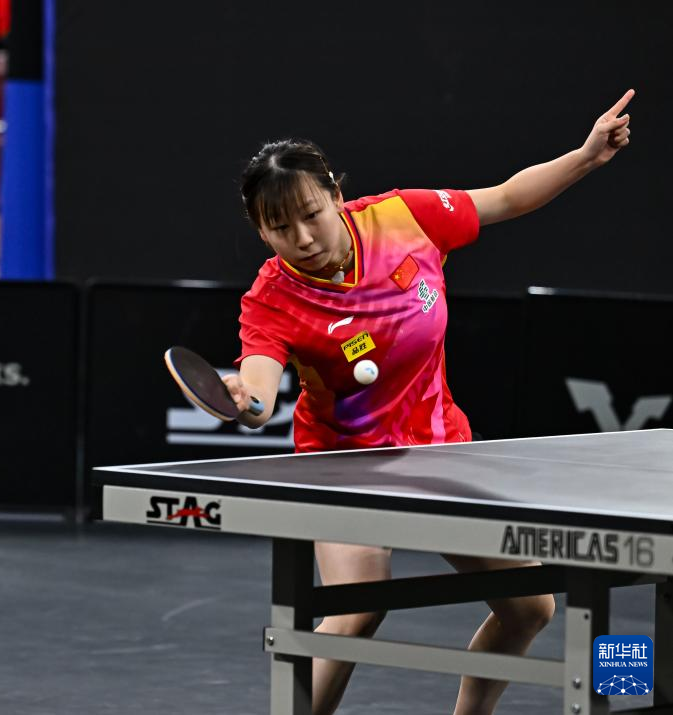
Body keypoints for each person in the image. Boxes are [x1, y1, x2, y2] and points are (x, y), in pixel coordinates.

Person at [224, 89, 634, 715]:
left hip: (439, 447)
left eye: (311, 214)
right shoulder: (272, 298)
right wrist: (245, 401)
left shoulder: (403, 218)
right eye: (279, 228)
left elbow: (504, 198)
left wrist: (584, 157)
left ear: (335, 194)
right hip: (345, 464)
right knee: (356, 609)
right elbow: (258, 385)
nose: (302, 237)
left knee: (530, 608)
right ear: (260, 229)